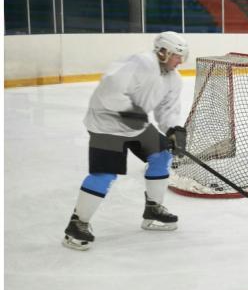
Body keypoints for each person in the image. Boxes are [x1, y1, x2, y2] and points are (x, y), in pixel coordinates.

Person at [62, 31, 190, 250]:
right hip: (107, 124)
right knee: (104, 174)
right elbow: (109, 90)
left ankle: (153, 209)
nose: (180, 61)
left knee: (161, 154)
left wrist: (173, 130)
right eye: (177, 56)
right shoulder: (140, 63)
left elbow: (167, 110)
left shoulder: (173, 79)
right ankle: (77, 224)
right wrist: (129, 111)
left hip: (135, 126)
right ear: (163, 52)